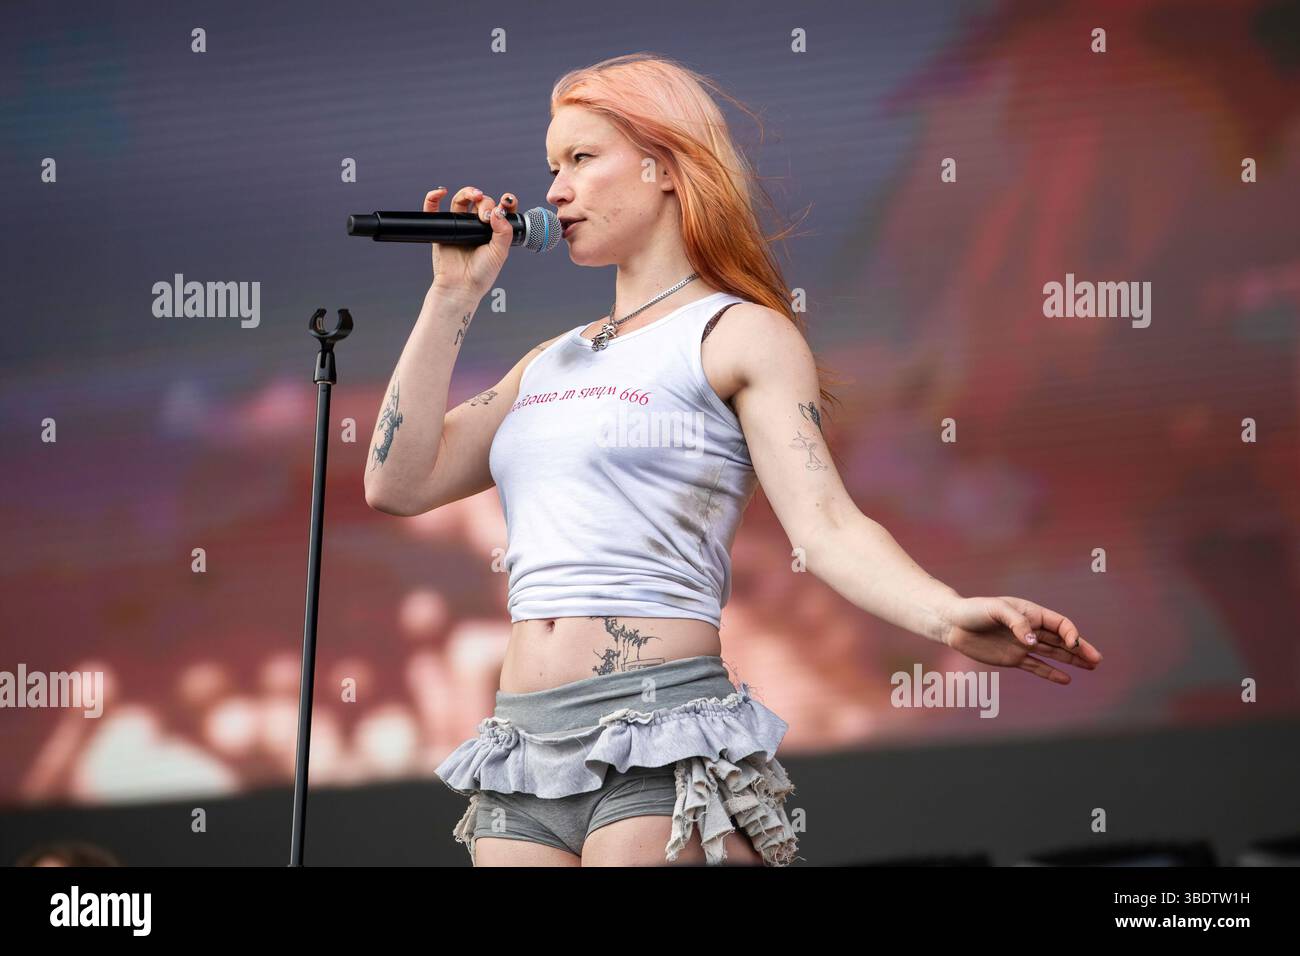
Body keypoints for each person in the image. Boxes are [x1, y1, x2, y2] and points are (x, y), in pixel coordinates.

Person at [363, 52, 1102, 867]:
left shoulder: (737, 333)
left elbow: (824, 524)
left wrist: (945, 614)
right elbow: (397, 482)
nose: (553, 191)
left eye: (581, 159)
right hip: (524, 744)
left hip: (656, 728)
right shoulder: (548, 363)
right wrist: (452, 296)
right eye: (551, 167)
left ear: (666, 166)